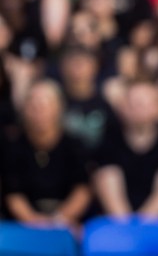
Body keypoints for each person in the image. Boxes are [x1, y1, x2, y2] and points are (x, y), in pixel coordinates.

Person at [2, 79, 91, 227]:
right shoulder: (11, 146)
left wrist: (59, 219)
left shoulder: (75, 145)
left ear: (59, 107)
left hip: (67, 223)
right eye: (33, 104)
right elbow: (12, 193)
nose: (39, 110)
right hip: (21, 226)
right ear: (24, 109)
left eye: (45, 104)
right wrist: (34, 221)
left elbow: (82, 189)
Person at [93, 78, 158, 218]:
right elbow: (107, 182)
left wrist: (141, 225)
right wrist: (128, 226)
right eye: (133, 103)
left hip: (157, 222)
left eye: (145, 103)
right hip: (118, 222)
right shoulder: (108, 140)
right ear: (122, 108)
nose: (139, 108)